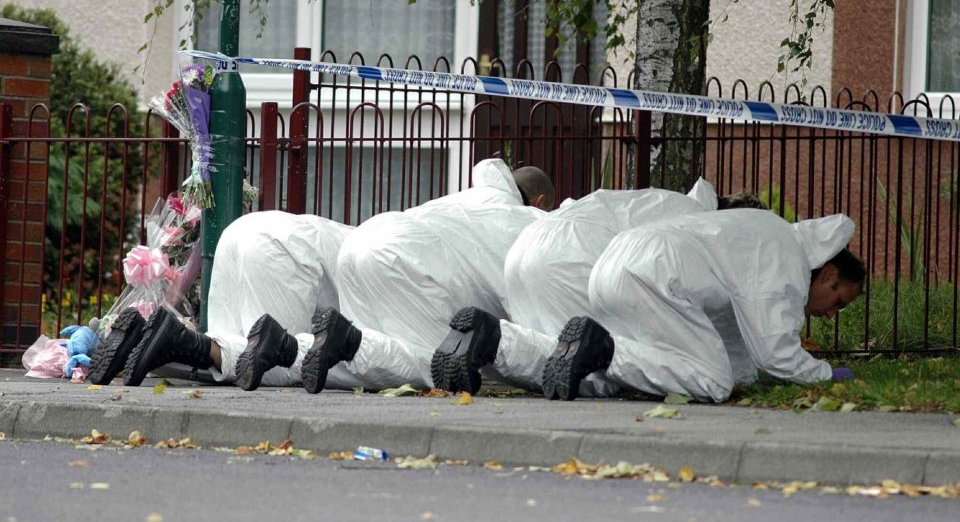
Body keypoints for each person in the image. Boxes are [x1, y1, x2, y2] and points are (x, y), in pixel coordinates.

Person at [429, 180, 766, 396]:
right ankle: (507, 342)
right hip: (574, 256)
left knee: (557, 361)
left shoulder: (663, 200)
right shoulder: (701, 229)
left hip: (527, 249)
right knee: (598, 372)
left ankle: (491, 338)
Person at [540, 209, 865, 402]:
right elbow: (775, 352)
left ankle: (586, 351)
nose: (830, 314)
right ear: (829, 274)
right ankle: (603, 350)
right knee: (713, 382)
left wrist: (744, 377)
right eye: (839, 302)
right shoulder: (788, 260)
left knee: (670, 364)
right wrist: (826, 375)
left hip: (613, 264)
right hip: (656, 273)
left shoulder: (767, 232)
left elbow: (730, 330)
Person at [296, 158, 555, 395]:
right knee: (440, 362)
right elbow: (517, 294)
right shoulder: (521, 218)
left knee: (378, 353)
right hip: (402, 254)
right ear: (540, 202)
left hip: (362, 240)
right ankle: (345, 341)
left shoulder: (462, 199)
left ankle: (295, 346)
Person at [88, 210, 353, 388]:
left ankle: (146, 335)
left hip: (242, 229)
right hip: (281, 245)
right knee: (277, 360)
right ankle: (178, 340)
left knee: (231, 360)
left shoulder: (354, 234)